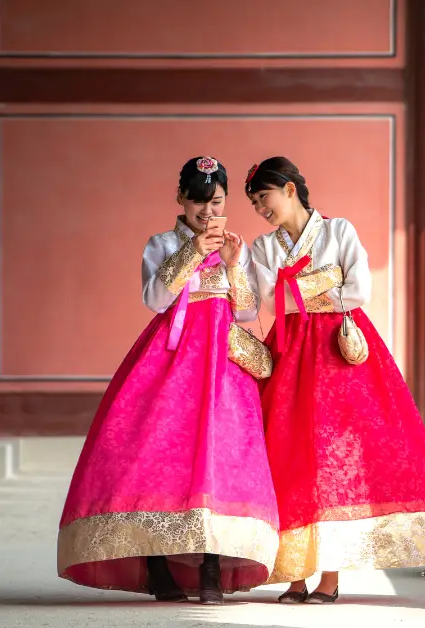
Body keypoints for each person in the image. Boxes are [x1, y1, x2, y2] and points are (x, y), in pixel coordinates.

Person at [57, 156, 279, 605]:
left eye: (215, 202)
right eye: (198, 202)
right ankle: (157, 564)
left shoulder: (239, 246)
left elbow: (249, 311)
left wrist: (235, 264)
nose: (207, 212)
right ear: (180, 198)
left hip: (222, 363)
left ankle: (212, 568)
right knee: (157, 456)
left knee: (221, 459)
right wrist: (194, 250)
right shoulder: (161, 243)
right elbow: (155, 297)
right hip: (169, 359)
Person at [244, 156, 425, 604]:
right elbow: (266, 300)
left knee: (334, 462)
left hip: (338, 357)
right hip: (290, 354)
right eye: (256, 202)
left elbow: (359, 290)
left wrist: (295, 289)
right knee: (289, 455)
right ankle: (294, 575)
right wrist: (325, 282)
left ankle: (330, 579)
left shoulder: (339, 232)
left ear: (291, 188)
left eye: (264, 197)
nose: (261, 208)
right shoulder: (262, 247)